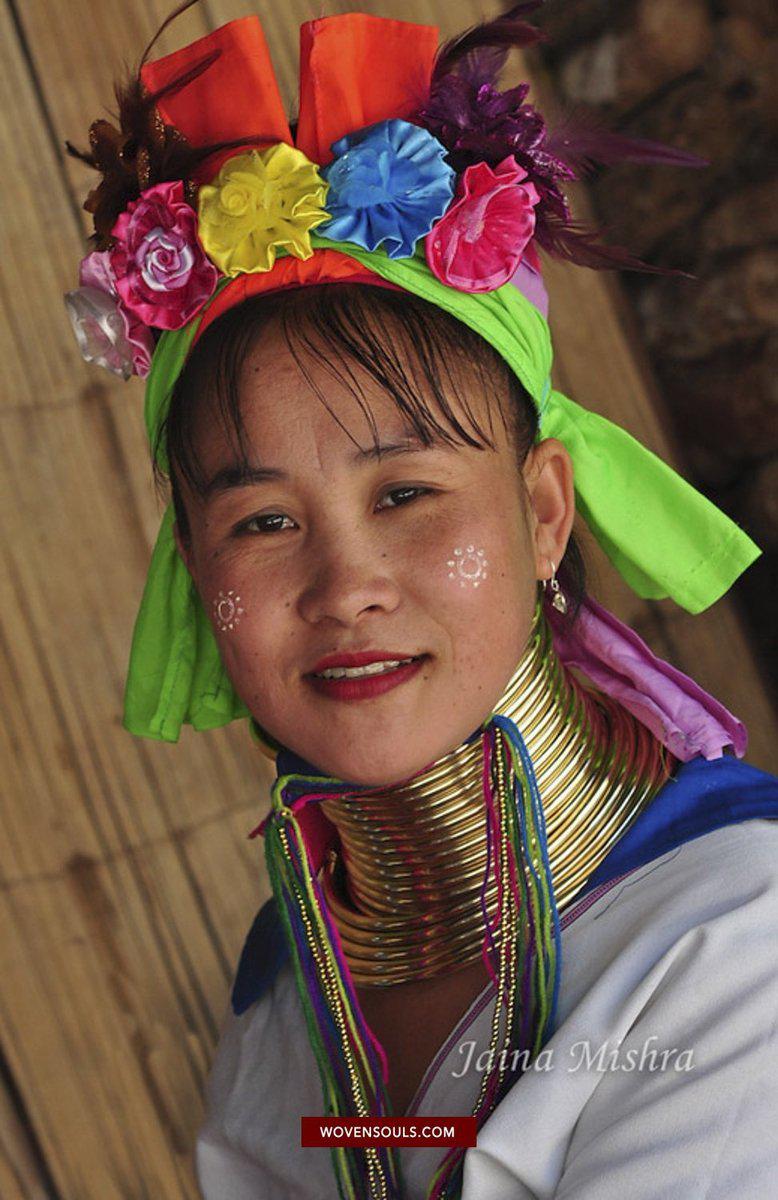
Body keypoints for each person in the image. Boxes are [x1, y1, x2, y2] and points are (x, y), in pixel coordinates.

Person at [64, 4, 778, 1198]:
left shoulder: (725, 943)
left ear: (543, 512)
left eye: (406, 493)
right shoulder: (287, 994)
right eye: (262, 521)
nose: (346, 588)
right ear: (193, 573)